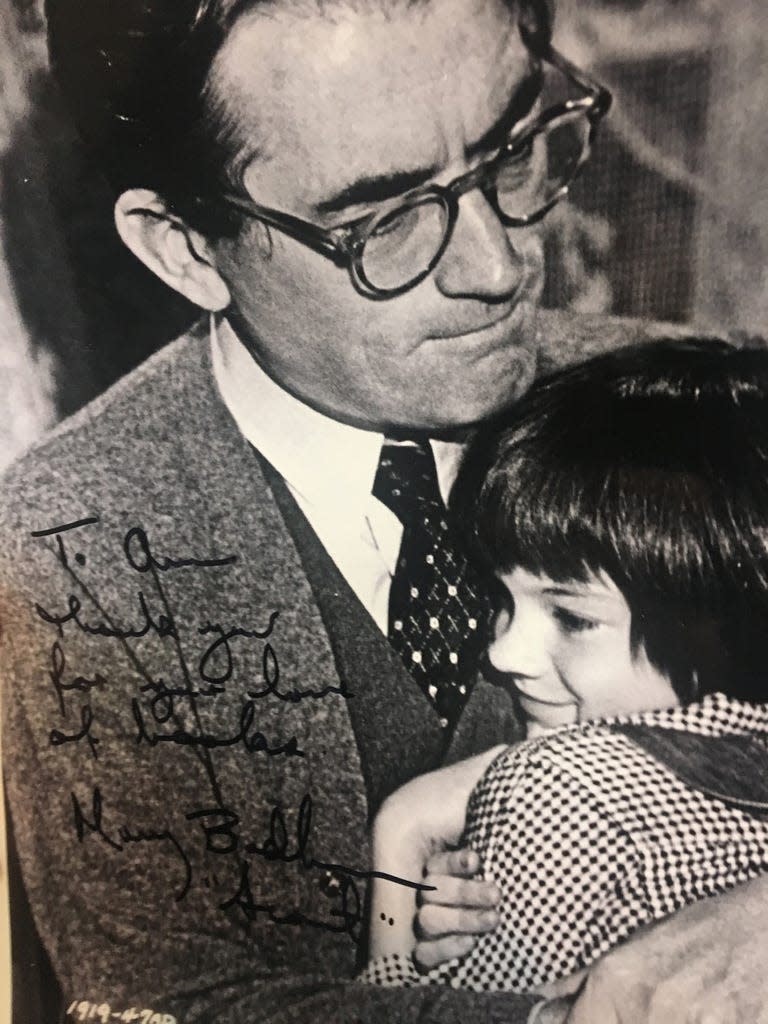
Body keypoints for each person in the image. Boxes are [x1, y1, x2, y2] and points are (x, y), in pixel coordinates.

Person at [0, 0, 766, 1021]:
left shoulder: (709, 410)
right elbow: (183, 1002)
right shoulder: (69, 551)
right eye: (383, 222)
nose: (499, 269)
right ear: (184, 249)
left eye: (508, 149)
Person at [363, 339, 768, 997]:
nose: (504, 654)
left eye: (574, 619)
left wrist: (398, 852)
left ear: (721, 622)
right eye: (503, 601)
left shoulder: (558, 794)